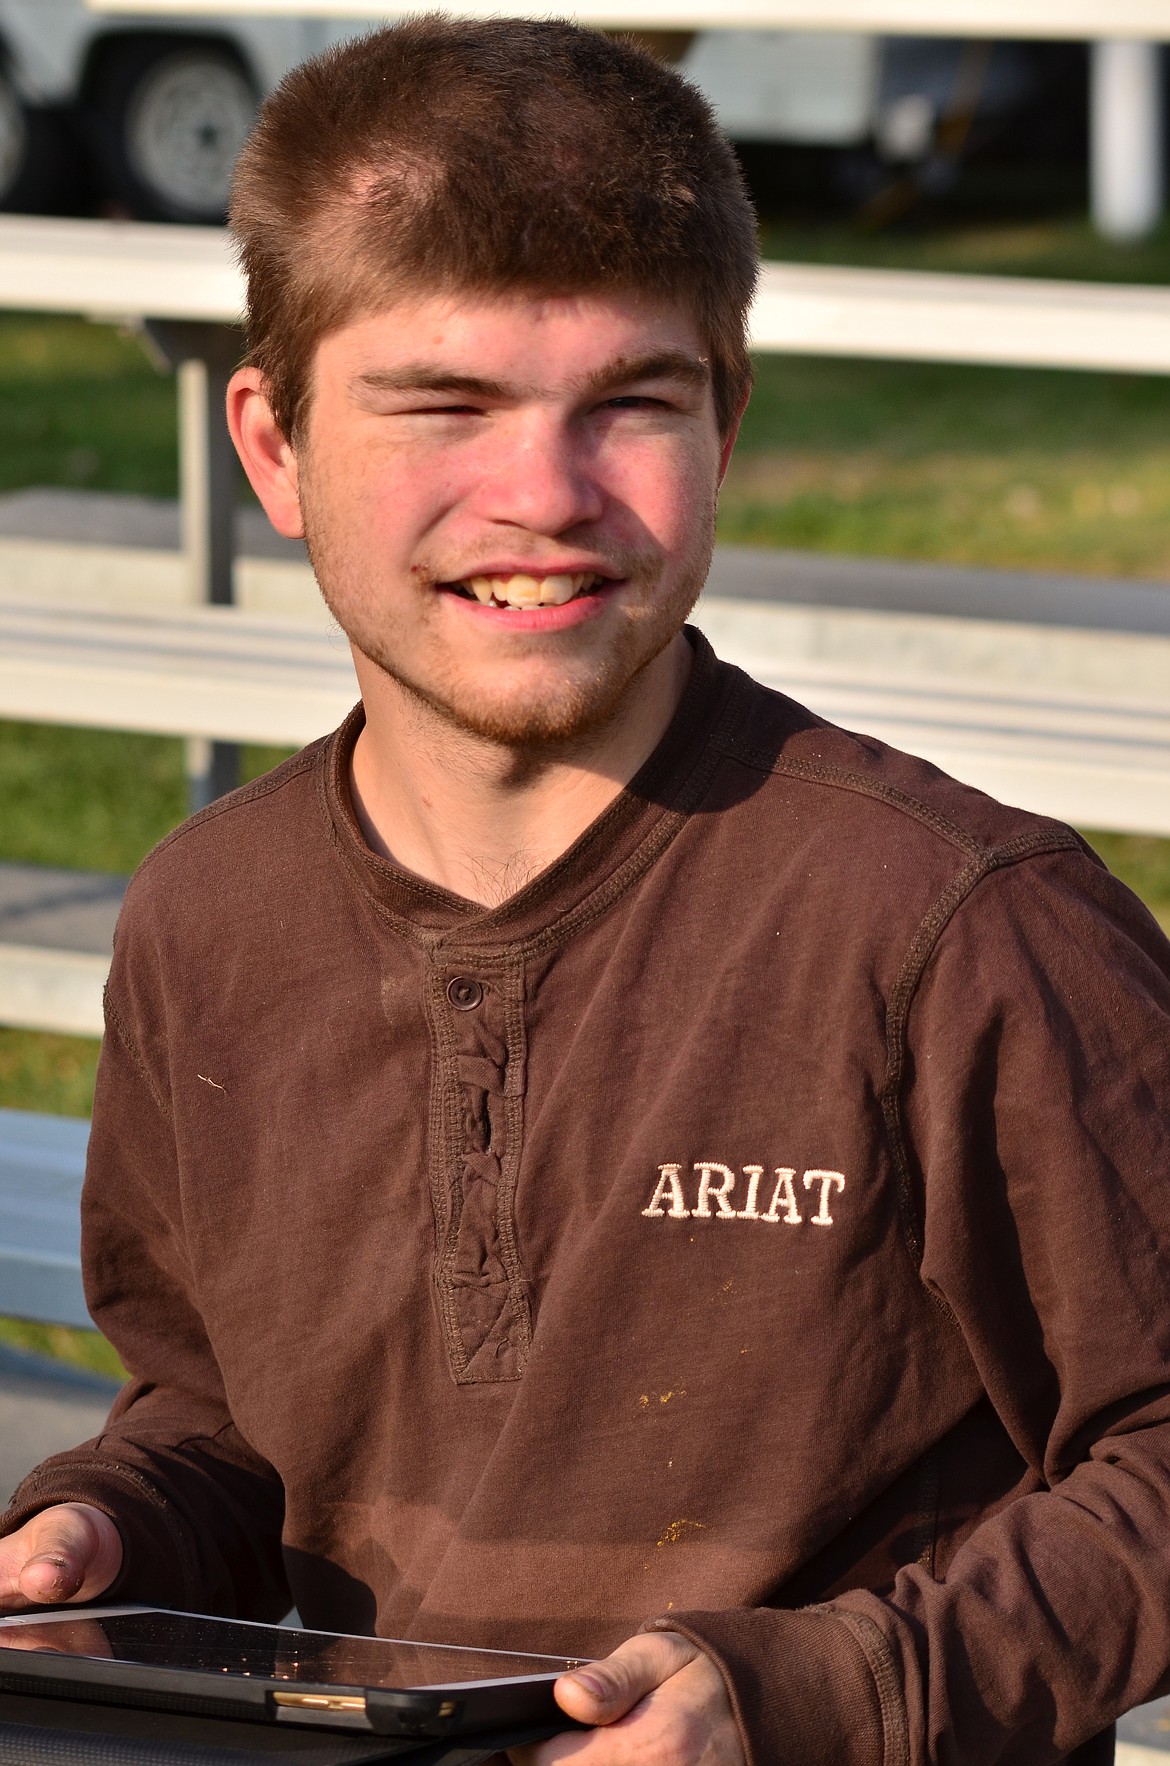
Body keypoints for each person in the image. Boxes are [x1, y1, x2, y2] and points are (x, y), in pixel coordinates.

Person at [3, 18, 1170, 1766]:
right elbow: (233, 1407)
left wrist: (817, 1699)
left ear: (726, 420)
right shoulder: (203, 919)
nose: (542, 500)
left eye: (631, 401)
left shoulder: (958, 925)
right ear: (272, 442)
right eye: (443, 403)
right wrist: (115, 1519)